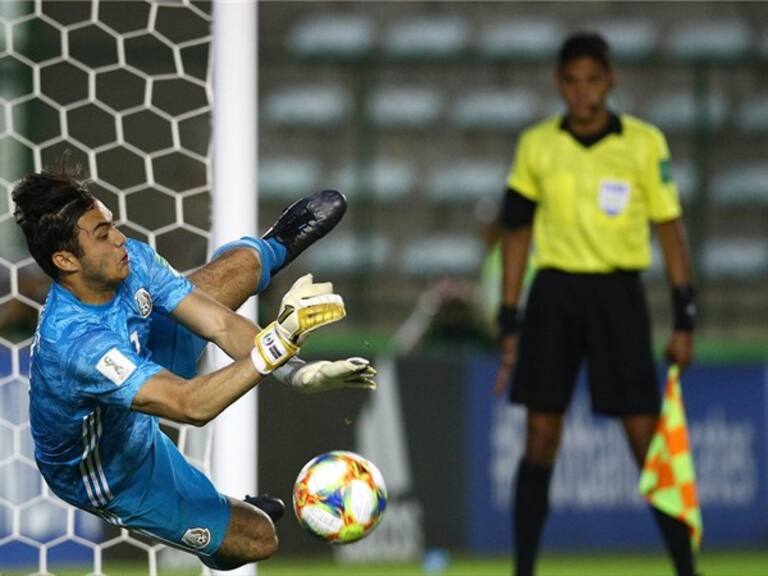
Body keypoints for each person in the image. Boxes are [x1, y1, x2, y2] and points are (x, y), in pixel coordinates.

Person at [12, 171, 376, 570]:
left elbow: (218, 324)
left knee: (216, 282)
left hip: (144, 361)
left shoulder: (131, 260)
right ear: (65, 260)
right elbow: (189, 406)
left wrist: (296, 373)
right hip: (116, 466)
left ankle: (276, 245)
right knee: (257, 540)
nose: (118, 238)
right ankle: (217, 529)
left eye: (111, 224)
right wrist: (277, 343)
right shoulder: (77, 346)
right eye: (101, 234)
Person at [493, 33, 697, 576]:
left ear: (611, 80)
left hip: (618, 296)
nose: (582, 92)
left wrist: (685, 317)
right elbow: (515, 234)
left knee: (645, 441)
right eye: (571, 81)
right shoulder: (537, 145)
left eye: (593, 79)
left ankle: (686, 569)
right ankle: (524, 569)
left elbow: (670, 231)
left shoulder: (643, 143)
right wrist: (507, 316)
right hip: (554, 294)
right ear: (560, 84)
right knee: (540, 435)